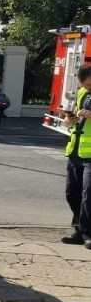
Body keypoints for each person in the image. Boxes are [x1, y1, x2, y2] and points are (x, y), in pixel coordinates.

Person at [61, 65, 91, 248]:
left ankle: (88, 233)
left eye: (89, 85)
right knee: (72, 192)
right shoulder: (81, 93)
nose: (87, 88)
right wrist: (69, 121)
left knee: (89, 195)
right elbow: (73, 122)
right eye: (84, 85)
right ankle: (79, 230)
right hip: (76, 149)